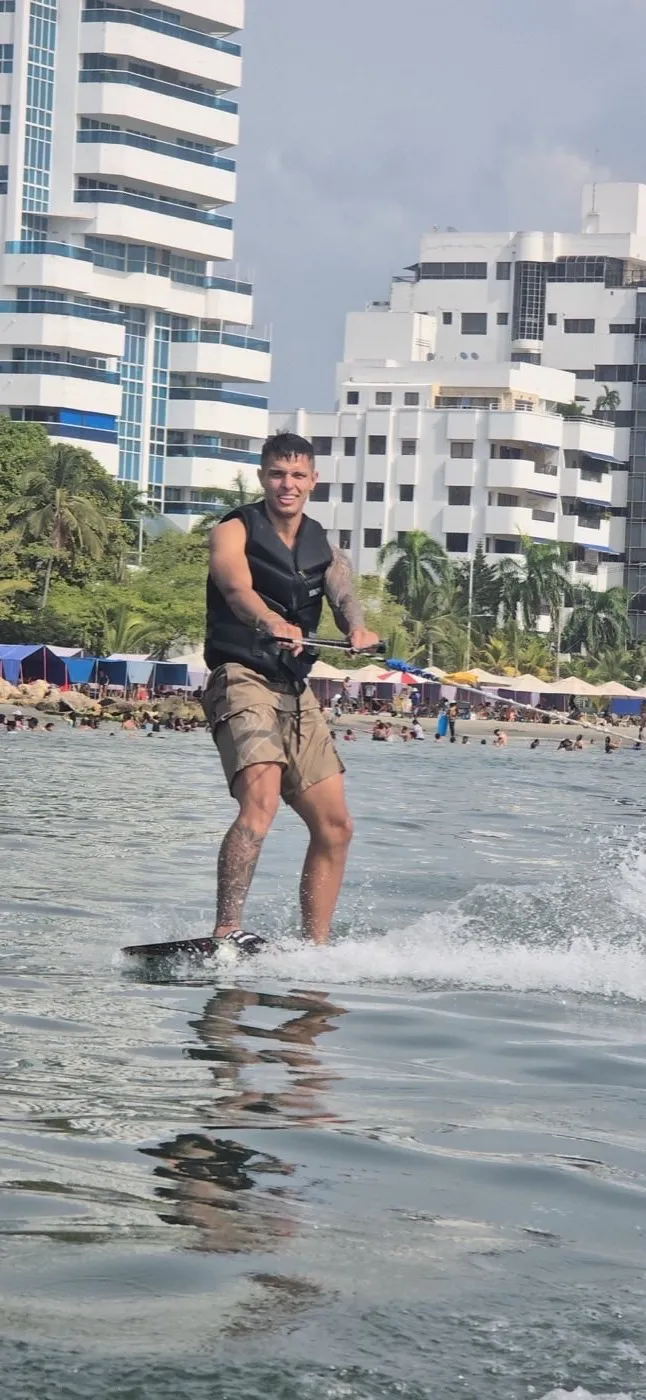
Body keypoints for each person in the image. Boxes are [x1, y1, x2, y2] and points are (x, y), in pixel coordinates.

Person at [201, 431, 379, 952]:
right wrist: (269, 618)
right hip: (240, 676)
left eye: (298, 475)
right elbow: (235, 588)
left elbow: (344, 595)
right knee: (261, 799)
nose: (288, 484)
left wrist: (358, 630)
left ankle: (314, 949)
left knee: (337, 825)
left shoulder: (324, 545)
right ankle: (227, 930)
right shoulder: (233, 530)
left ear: (313, 481)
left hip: (294, 690)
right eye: (278, 474)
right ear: (262, 476)